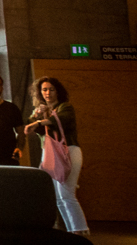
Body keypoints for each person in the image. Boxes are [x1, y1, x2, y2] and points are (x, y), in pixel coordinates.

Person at [25, 77, 89, 234]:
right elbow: (35, 129)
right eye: (44, 90)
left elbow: (61, 120)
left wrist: (39, 122)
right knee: (59, 198)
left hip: (68, 151)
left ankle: (80, 231)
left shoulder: (65, 107)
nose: (48, 93)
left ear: (58, 91)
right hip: (50, 154)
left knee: (67, 195)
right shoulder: (41, 110)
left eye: (51, 89)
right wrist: (37, 116)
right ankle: (72, 231)